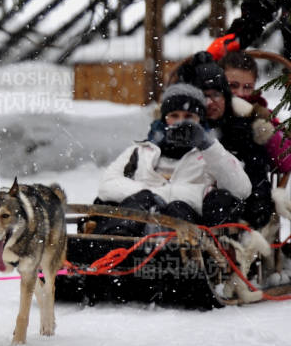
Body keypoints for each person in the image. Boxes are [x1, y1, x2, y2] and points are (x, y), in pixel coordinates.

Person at [94, 83, 252, 234]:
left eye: (189, 116)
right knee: (137, 203)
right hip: (138, 226)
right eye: (174, 115)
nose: (180, 121)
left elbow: (241, 189)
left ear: (200, 119)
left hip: (189, 227)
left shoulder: (210, 153)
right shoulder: (141, 151)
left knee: (178, 208)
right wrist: (149, 196)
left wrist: (206, 145)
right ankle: (115, 244)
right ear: (164, 118)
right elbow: (107, 186)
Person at [175, 52, 278, 228]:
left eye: (216, 95)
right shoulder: (177, 127)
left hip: (226, 214)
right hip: (181, 208)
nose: (210, 102)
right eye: (204, 95)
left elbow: (256, 180)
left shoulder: (242, 130)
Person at [219, 49, 291, 176]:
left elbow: (286, 162)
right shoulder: (209, 110)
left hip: (253, 183)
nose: (240, 93)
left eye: (247, 87)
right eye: (233, 85)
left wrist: (265, 130)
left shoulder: (262, 113)